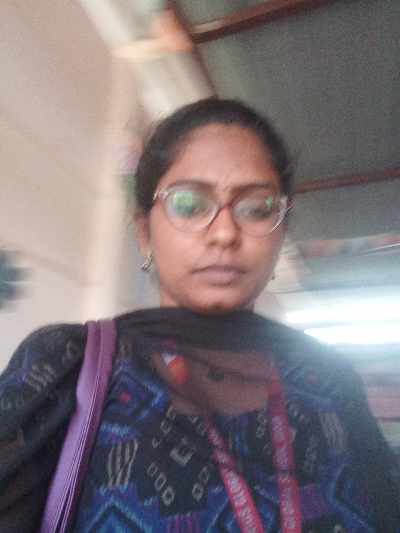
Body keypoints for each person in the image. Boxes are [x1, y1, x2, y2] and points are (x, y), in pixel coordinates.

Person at [0, 98, 399, 532]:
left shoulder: (330, 381)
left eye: (256, 208)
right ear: (144, 233)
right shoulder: (67, 365)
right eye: (190, 205)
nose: (225, 233)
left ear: (281, 231)